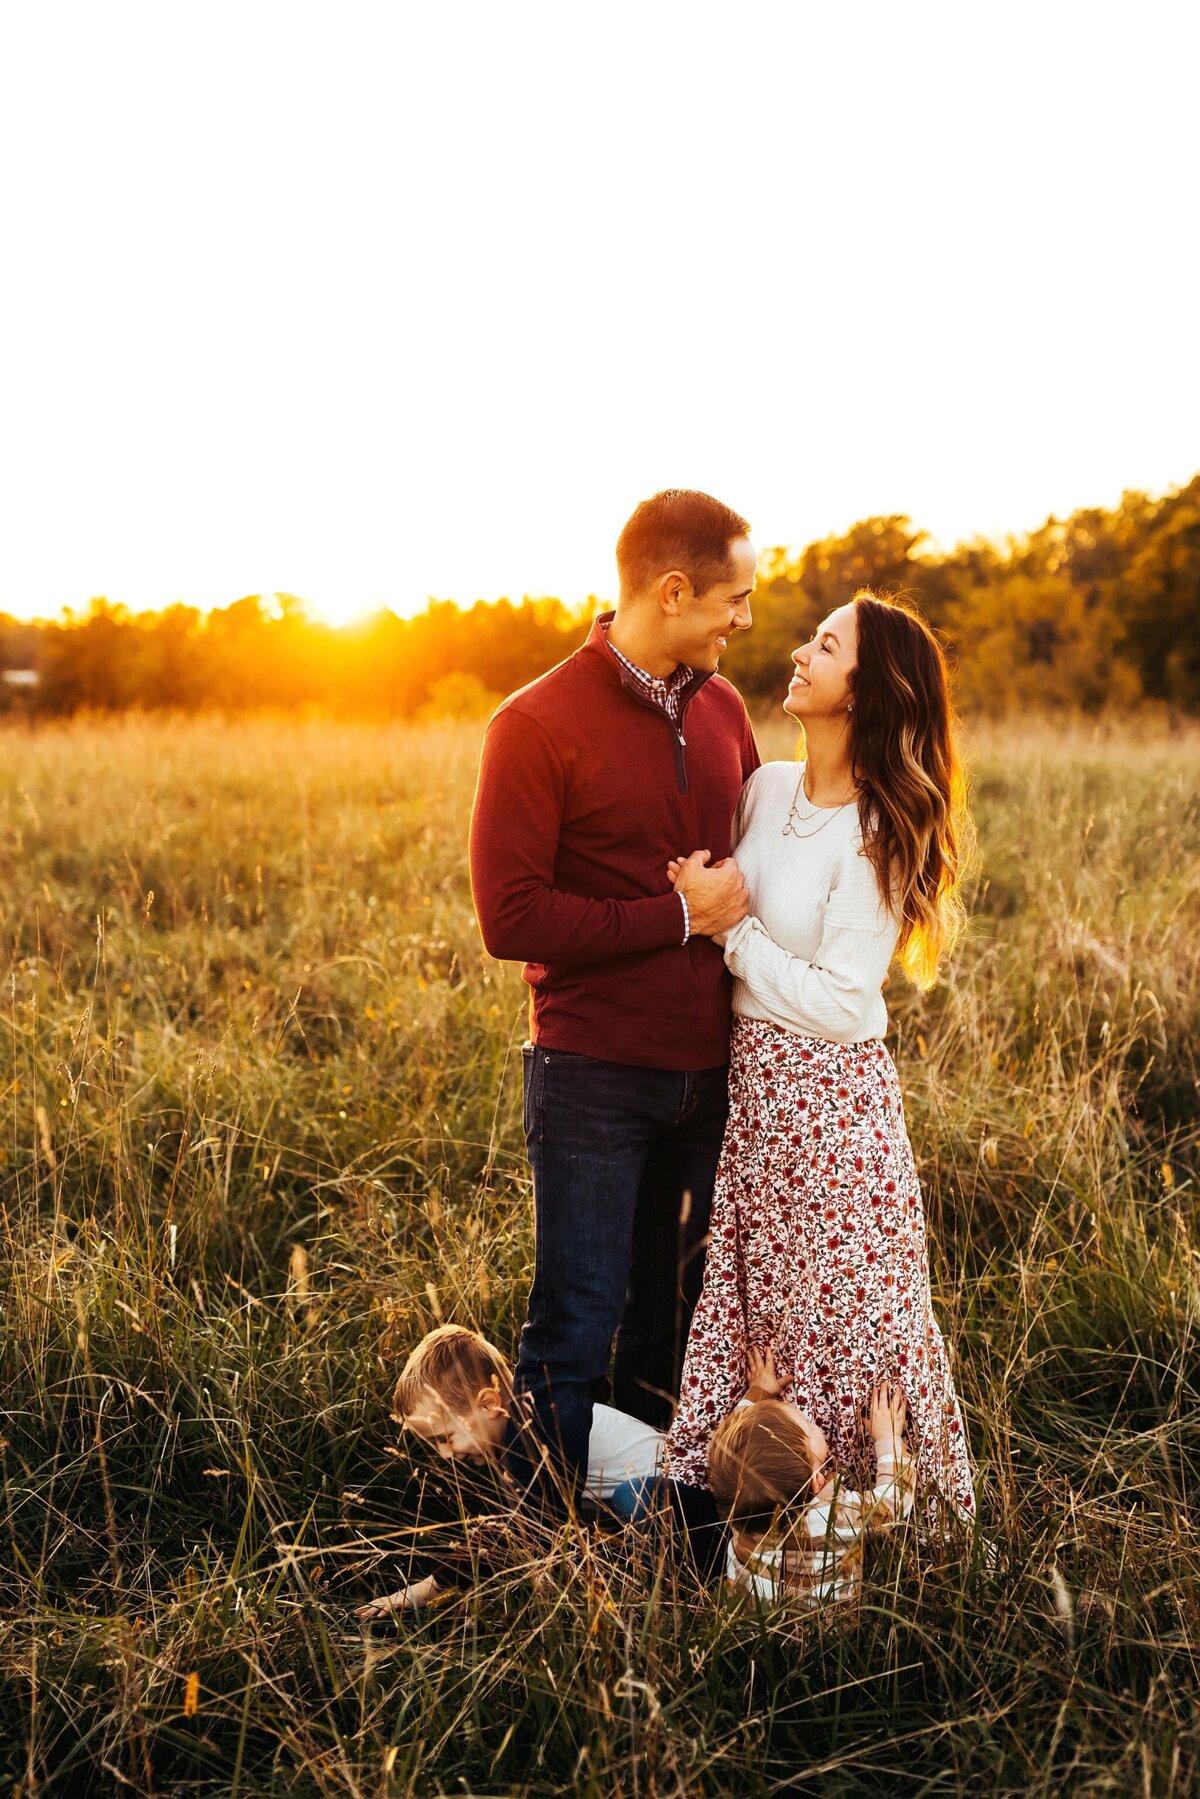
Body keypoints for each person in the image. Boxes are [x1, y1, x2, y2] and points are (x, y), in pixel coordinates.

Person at [468, 490, 760, 1508]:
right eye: (735, 598)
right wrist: (672, 917)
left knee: (675, 1321)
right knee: (575, 1324)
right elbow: (512, 918)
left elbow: (748, 870)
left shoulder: (725, 709)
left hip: (714, 1075)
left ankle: (654, 1539)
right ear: (672, 590)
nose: (744, 620)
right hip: (593, 1074)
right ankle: (529, 1549)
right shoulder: (535, 722)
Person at [664, 590, 976, 1521]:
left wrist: (733, 933)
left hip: (832, 1110)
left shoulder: (879, 827)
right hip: (757, 1098)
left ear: (864, 691)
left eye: (826, 645)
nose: (799, 650)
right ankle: (762, 1510)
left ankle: (886, 1519)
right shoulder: (763, 790)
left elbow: (846, 1002)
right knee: (769, 1306)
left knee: (852, 1317)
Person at [354, 1323, 663, 1619]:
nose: (445, 1455)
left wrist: (424, 1591)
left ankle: (653, 1601)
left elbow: (514, 1530)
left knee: (629, 1499)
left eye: (445, 1439)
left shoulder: (536, 1430)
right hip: (654, 1508)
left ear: (489, 1404)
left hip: (678, 1504)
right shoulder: (523, 1432)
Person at [708, 1346, 915, 1605]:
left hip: (752, 1628)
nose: (806, 1416)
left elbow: (728, 1441)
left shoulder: (738, 1498)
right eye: (807, 1425)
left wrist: (758, 1391)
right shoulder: (833, 1516)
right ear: (817, 1480)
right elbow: (892, 1502)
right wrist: (888, 1438)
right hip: (824, 1638)